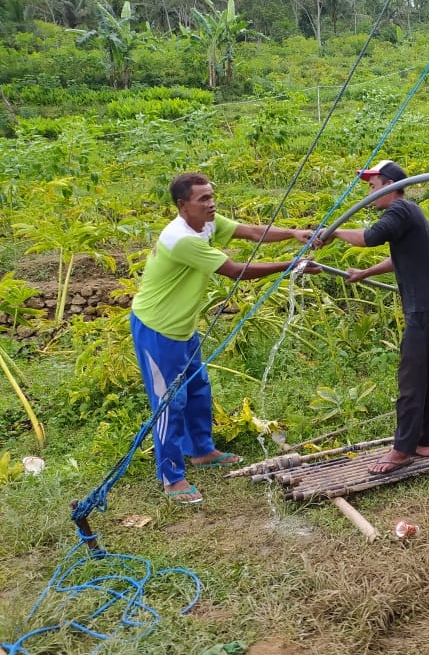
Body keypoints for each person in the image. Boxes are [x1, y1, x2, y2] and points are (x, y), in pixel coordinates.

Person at [131, 172, 321, 505]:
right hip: (157, 330)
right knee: (169, 403)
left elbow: (252, 232)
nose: (211, 203)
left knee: (198, 389)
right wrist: (291, 264)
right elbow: (236, 271)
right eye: (203, 198)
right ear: (182, 205)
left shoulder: (205, 223)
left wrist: (293, 233)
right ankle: (172, 478)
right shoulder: (181, 239)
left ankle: (202, 451)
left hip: (183, 327)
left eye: (212, 196)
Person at [328, 160, 429, 475]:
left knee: (411, 380)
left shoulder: (399, 210)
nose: (369, 194)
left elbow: (370, 237)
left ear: (390, 186)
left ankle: (402, 450)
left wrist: (335, 233)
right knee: (423, 376)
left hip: (424, 309)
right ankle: (422, 443)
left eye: (372, 187)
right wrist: (365, 273)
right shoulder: (408, 213)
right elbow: (400, 258)